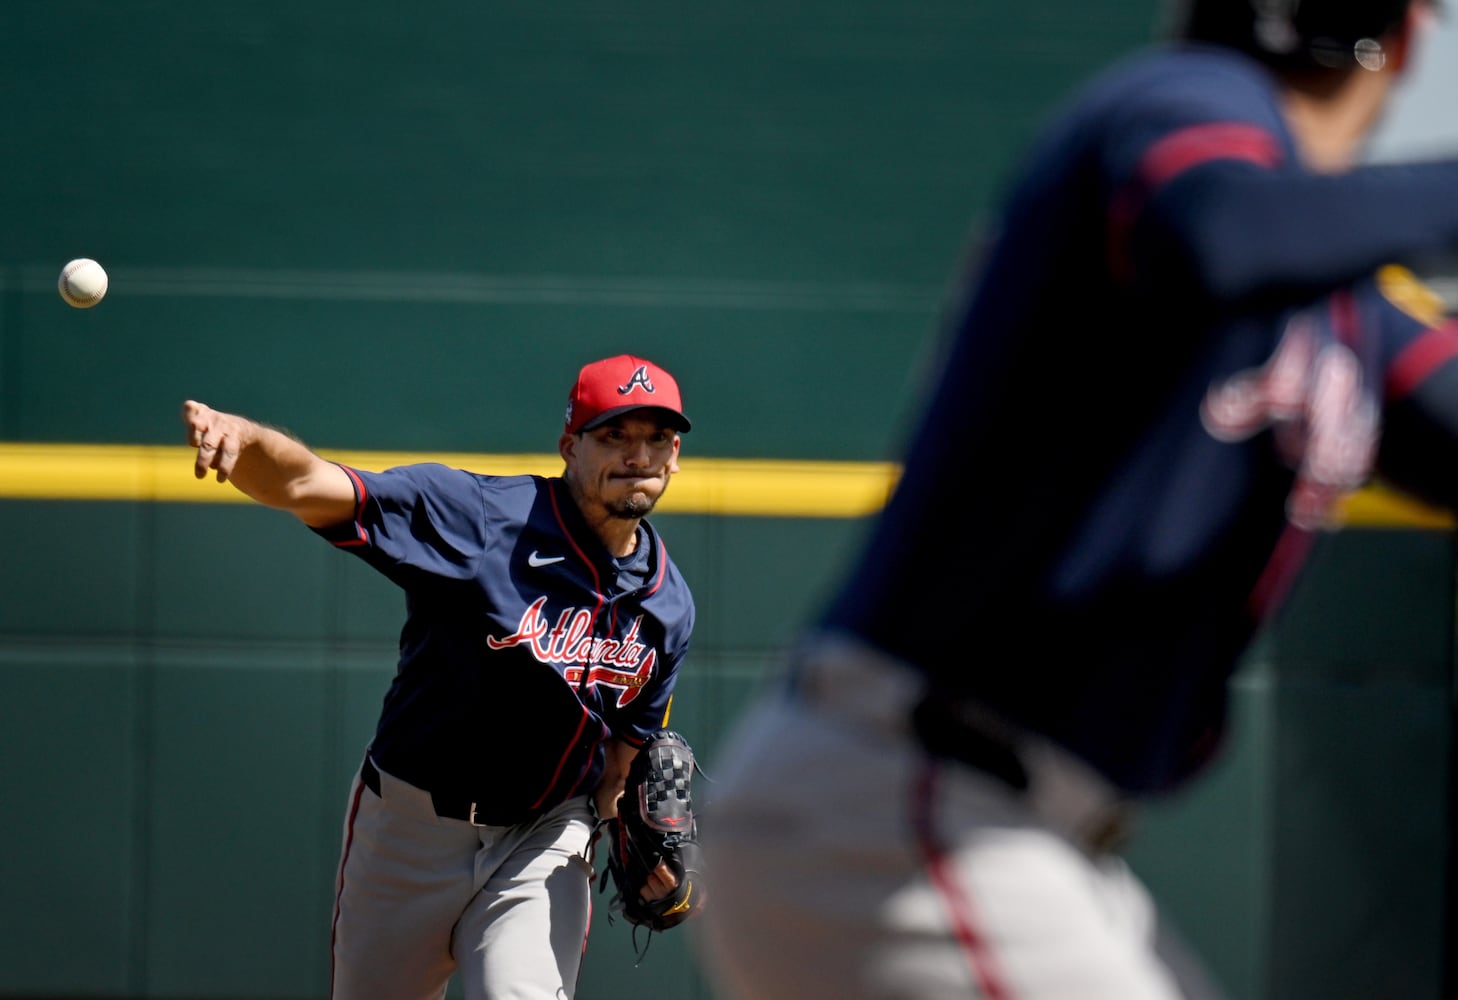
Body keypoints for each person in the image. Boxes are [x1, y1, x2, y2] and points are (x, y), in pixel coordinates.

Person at [695, 0, 1458, 996]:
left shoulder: (1338, 301)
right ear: (1405, 42)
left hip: (980, 832)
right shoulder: (1182, 105)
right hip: (907, 814)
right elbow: (1225, 231)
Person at [182, 353, 695, 1000]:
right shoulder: (480, 517)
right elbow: (309, 485)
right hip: (407, 831)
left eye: (657, 438)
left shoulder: (668, 607)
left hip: (541, 836)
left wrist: (637, 842)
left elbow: (622, 766)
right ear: (570, 446)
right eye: (614, 434)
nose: (638, 455)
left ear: (675, 456)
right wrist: (249, 442)